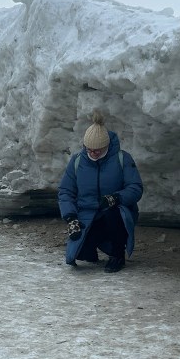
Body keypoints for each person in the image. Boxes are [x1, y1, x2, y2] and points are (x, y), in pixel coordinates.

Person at [57, 111, 144, 273]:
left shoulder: (123, 159)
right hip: (88, 214)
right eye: (89, 149)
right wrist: (71, 218)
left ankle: (117, 254)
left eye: (97, 150)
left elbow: (135, 188)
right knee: (81, 253)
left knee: (113, 214)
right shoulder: (77, 161)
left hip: (115, 213)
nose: (92, 153)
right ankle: (92, 246)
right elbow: (66, 192)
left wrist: (116, 198)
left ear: (106, 146)